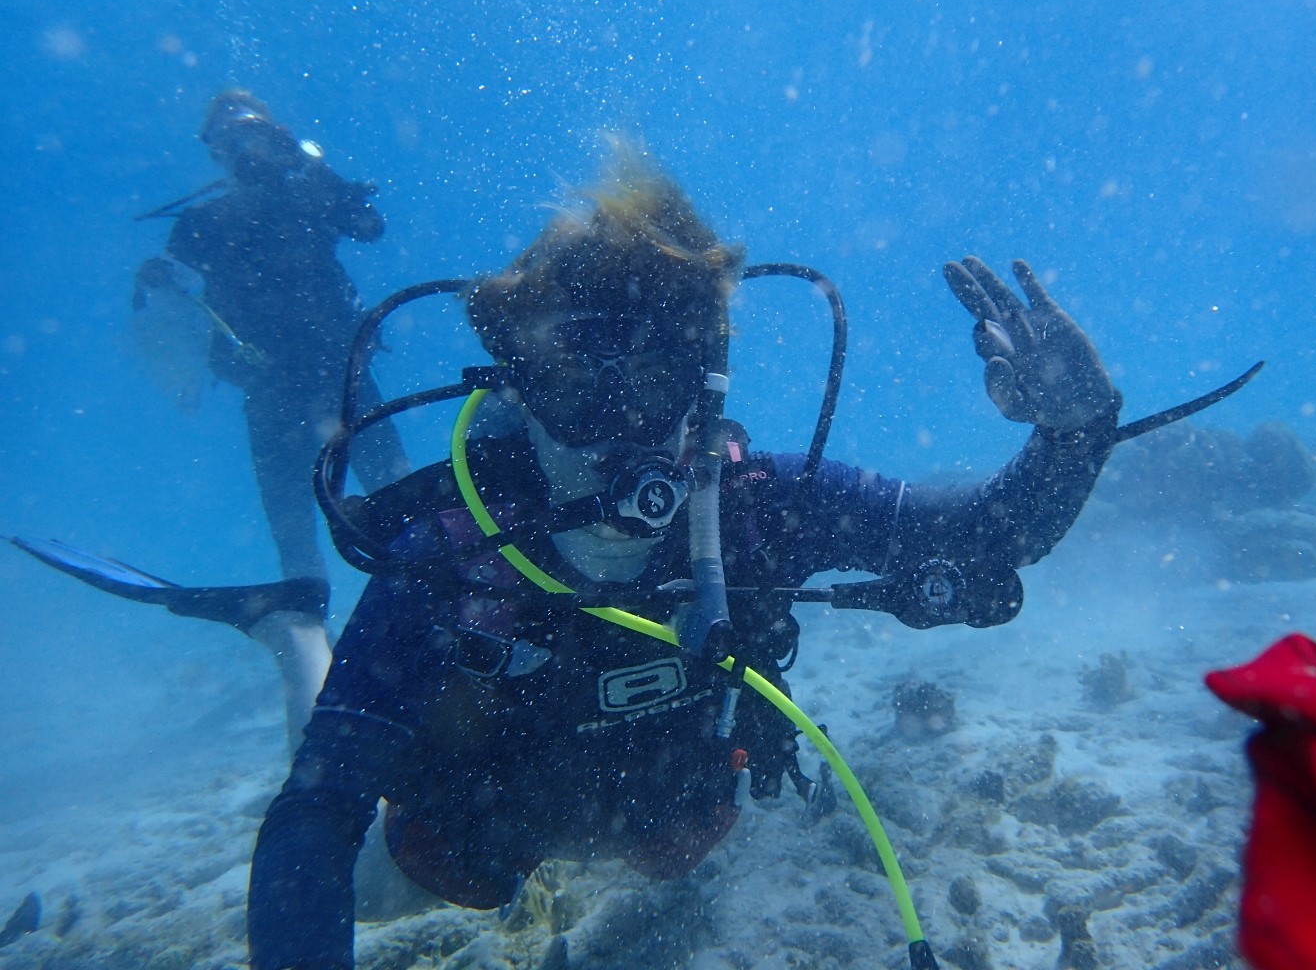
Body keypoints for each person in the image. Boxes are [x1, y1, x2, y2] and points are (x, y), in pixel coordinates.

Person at [245, 142, 1124, 970]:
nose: (616, 437)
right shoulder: (451, 558)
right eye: (572, 387)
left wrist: (1075, 432)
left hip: (661, 814)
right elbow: (318, 810)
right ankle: (294, 635)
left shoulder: (757, 509)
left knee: (685, 851)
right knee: (392, 884)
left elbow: (988, 536)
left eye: (653, 385)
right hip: (480, 827)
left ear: (704, 385)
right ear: (515, 386)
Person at [129, 89, 412, 741]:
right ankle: (315, 692)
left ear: (279, 137)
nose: (247, 154)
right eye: (231, 144)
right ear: (217, 155)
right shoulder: (199, 225)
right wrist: (156, 279)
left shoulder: (309, 191)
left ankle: (435, 642)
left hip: (346, 385)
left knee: (406, 510)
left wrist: (321, 176)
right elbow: (165, 297)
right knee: (295, 542)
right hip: (273, 396)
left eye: (258, 138)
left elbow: (370, 227)